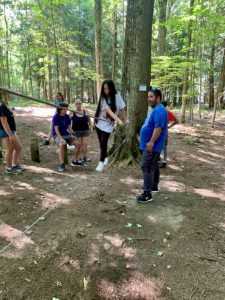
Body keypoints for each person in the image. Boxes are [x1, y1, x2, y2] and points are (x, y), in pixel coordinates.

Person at [137, 87, 168, 204]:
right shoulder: (156, 109)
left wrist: (151, 142)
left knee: (146, 166)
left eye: (151, 97)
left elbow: (158, 128)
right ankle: (153, 185)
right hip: (150, 144)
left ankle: (147, 193)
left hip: (152, 145)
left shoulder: (160, 110)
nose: (148, 99)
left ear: (158, 99)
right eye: (148, 97)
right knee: (153, 165)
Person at [94, 79, 129, 172]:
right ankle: (105, 157)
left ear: (112, 88)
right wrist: (118, 120)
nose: (106, 91)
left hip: (108, 125)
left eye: (108, 89)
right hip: (99, 123)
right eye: (104, 89)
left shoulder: (117, 97)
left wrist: (125, 119)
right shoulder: (102, 98)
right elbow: (108, 111)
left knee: (103, 142)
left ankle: (101, 162)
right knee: (101, 143)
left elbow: (122, 109)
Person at [52, 102, 82, 172]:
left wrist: (72, 134)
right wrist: (61, 139)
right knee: (62, 144)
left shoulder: (67, 116)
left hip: (66, 134)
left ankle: (75, 160)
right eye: (64, 109)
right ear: (60, 109)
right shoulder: (56, 117)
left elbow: (69, 127)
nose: (66, 110)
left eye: (67, 108)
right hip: (57, 135)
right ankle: (62, 164)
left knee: (78, 144)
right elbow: (56, 130)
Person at [0, 90, 23, 174]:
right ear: (4, 95)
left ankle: (14, 165)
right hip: (6, 131)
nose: (10, 95)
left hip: (12, 130)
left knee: (18, 148)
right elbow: (3, 122)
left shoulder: (6, 104)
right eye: (9, 93)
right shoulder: (2, 106)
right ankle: (9, 169)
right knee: (10, 149)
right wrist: (10, 135)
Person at [160, 100, 179, 168]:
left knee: (164, 147)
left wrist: (169, 126)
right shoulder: (159, 112)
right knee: (159, 146)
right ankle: (160, 159)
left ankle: (164, 162)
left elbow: (176, 121)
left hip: (164, 132)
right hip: (158, 132)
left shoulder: (167, 112)